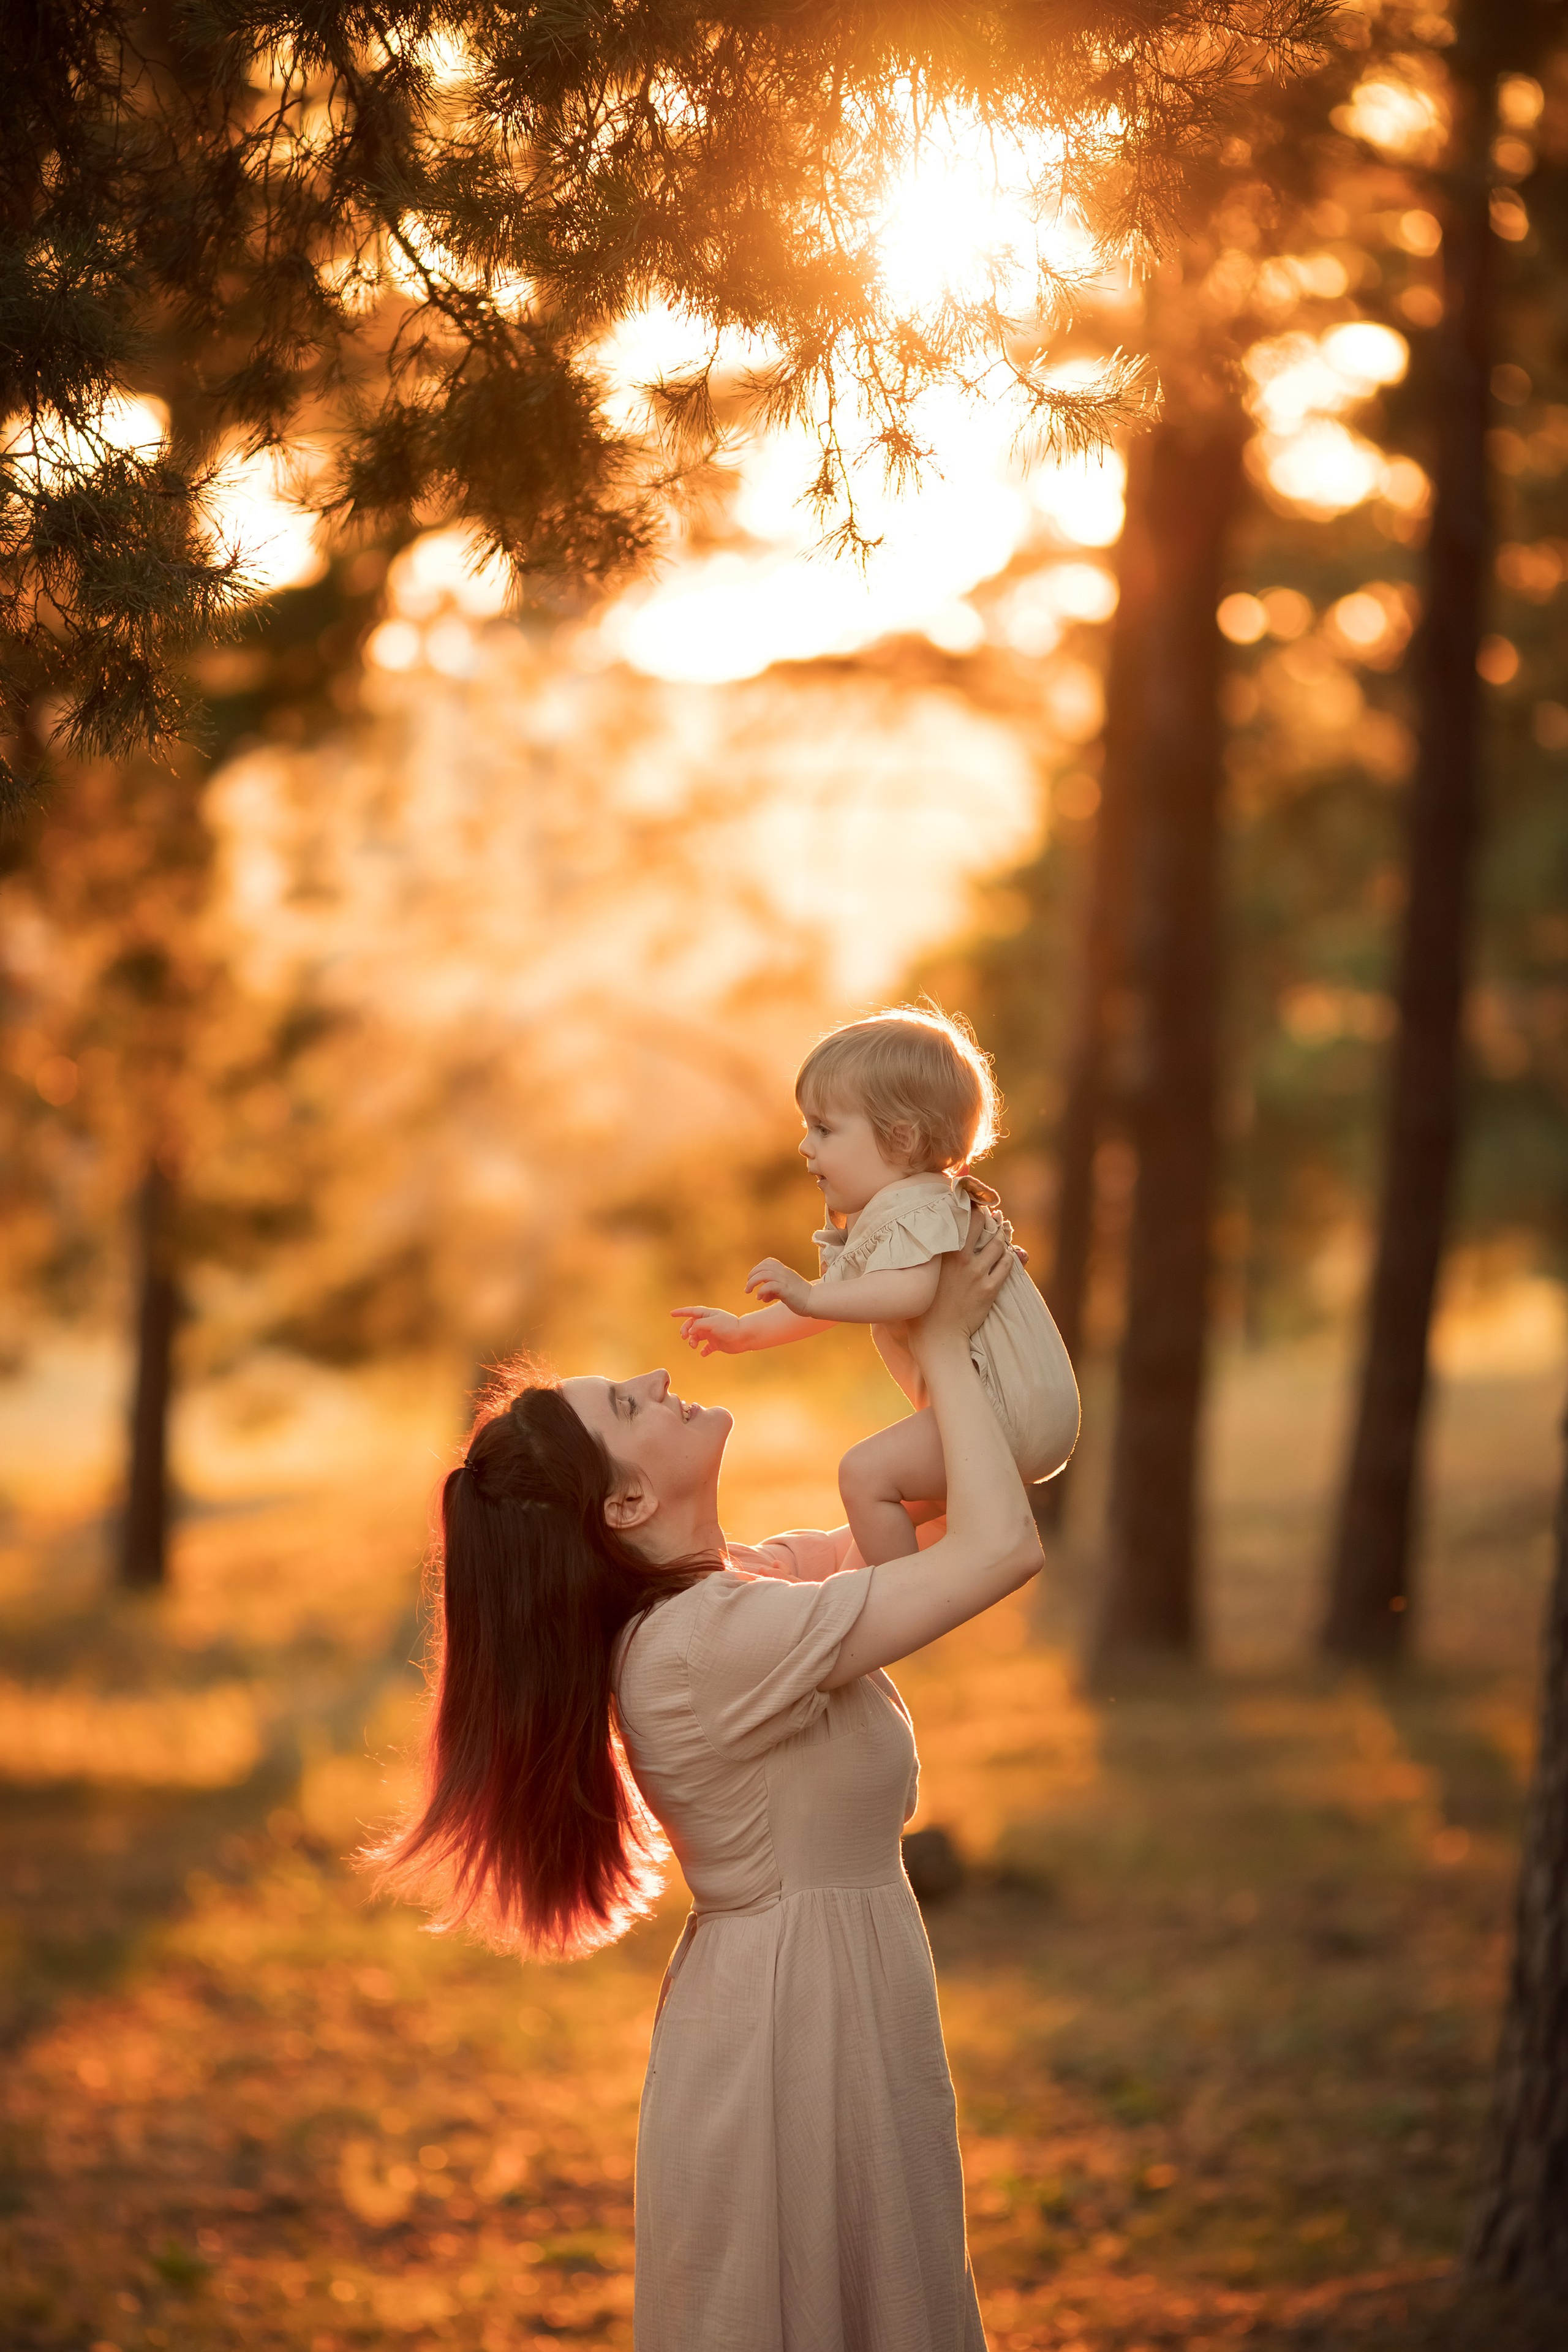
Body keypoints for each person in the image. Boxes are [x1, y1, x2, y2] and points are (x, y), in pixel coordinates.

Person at [369, 1209, 1039, 2351]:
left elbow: (971, 1488)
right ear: (624, 1506)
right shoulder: (700, 1647)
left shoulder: (735, 1589)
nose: (652, 1374)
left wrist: (928, 1322)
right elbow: (1001, 1549)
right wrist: (943, 1341)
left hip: (831, 1988)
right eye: (626, 1406)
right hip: (790, 2021)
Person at [672, 1008, 1080, 1565]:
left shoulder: (920, 1208)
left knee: (864, 1474)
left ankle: (897, 1607)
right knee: (881, 1513)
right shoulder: (904, 1211)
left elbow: (904, 1295)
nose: (805, 1146)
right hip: (1018, 1410)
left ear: (901, 1139)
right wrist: (745, 1333)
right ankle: (865, 1601)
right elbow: (839, 1300)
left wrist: (810, 1294)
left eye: (824, 1128)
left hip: (1005, 1412)